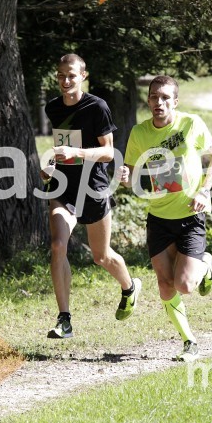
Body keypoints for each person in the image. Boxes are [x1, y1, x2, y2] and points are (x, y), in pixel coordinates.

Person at [119, 75, 212, 361]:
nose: (159, 102)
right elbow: (129, 176)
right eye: (154, 97)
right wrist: (126, 176)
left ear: (175, 102)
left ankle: (206, 263)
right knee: (165, 286)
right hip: (159, 218)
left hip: (191, 214)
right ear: (148, 100)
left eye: (165, 98)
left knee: (185, 285)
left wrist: (204, 190)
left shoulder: (191, 124)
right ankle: (189, 342)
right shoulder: (140, 133)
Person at [42, 54, 141, 339]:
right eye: (61, 75)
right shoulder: (53, 108)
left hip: (93, 187)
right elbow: (60, 146)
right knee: (58, 245)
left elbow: (109, 152)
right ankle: (65, 319)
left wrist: (78, 154)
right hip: (63, 186)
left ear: (83, 76)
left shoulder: (97, 107)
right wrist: (50, 166)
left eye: (71, 75)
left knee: (101, 256)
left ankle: (129, 286)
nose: (65, 80)